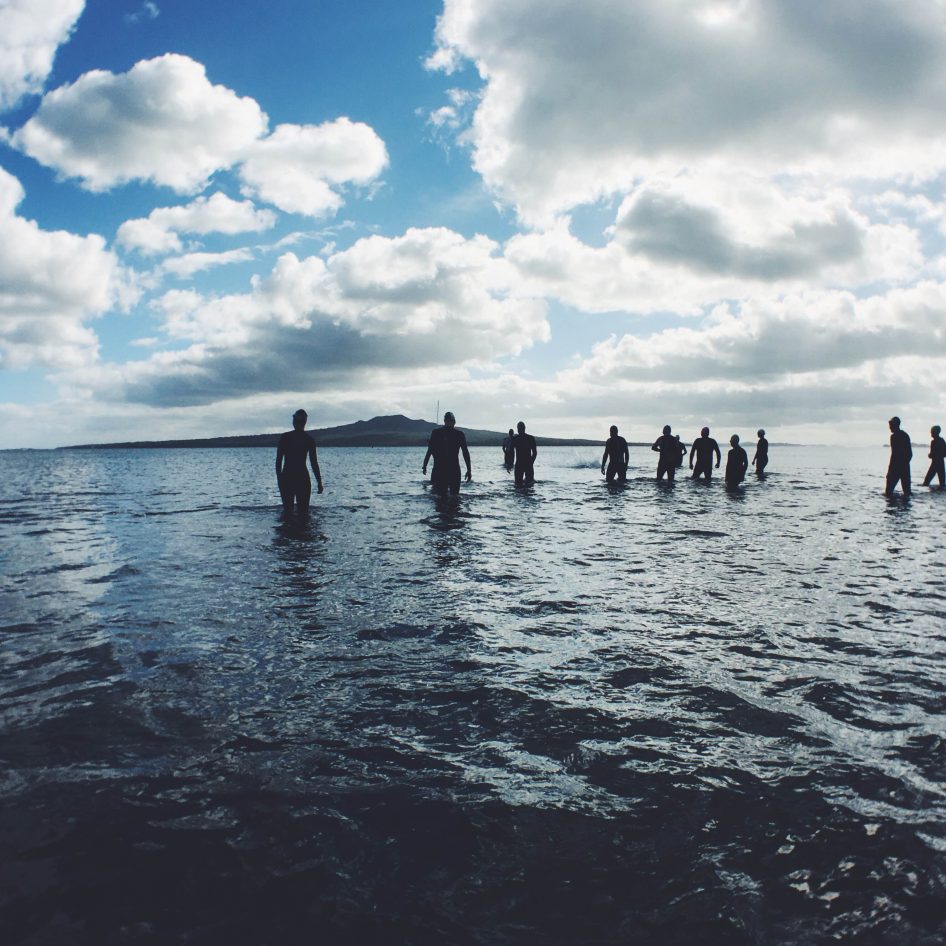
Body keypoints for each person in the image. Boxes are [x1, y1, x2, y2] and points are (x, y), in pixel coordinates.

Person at [275, 409, 323, 513]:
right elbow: (314, 463)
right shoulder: (309, 439)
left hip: (287, 477)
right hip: (302, 478)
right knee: (303, 513)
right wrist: (319, 482)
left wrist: (279, 478)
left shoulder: (285, 437)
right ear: (305, 423)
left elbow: (278, 461)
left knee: (288, 512)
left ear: (294, 421)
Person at [423, 411, 472, 495]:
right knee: (454, 497)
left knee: (441, 498)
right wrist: (469, 470)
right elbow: (465, 453)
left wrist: (425, 465)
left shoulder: (436, 432)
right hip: (453, 469)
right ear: (454, 422)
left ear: (444, 421)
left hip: (441, 469)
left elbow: (430, 450)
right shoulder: (459, 434)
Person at [885, 416, 912, 497]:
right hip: (905, 466)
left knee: (888, 493)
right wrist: (905, 464)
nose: (890, 428)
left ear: (895, 425)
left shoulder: (893, 437)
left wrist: (890, 470)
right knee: (907, 493)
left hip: (896, 467)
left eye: (891, 426)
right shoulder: (905, 435)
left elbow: (894, 454)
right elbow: (910, 454)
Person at [511, 420, 538, 484]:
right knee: (529, 484)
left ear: (518, 429)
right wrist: (531, 463)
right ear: (524, 428)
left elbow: (511, 452)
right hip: (526, 463)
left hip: (520, 463)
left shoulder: (516, 439)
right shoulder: (530, 438)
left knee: (518, 485)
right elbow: (535, 453)